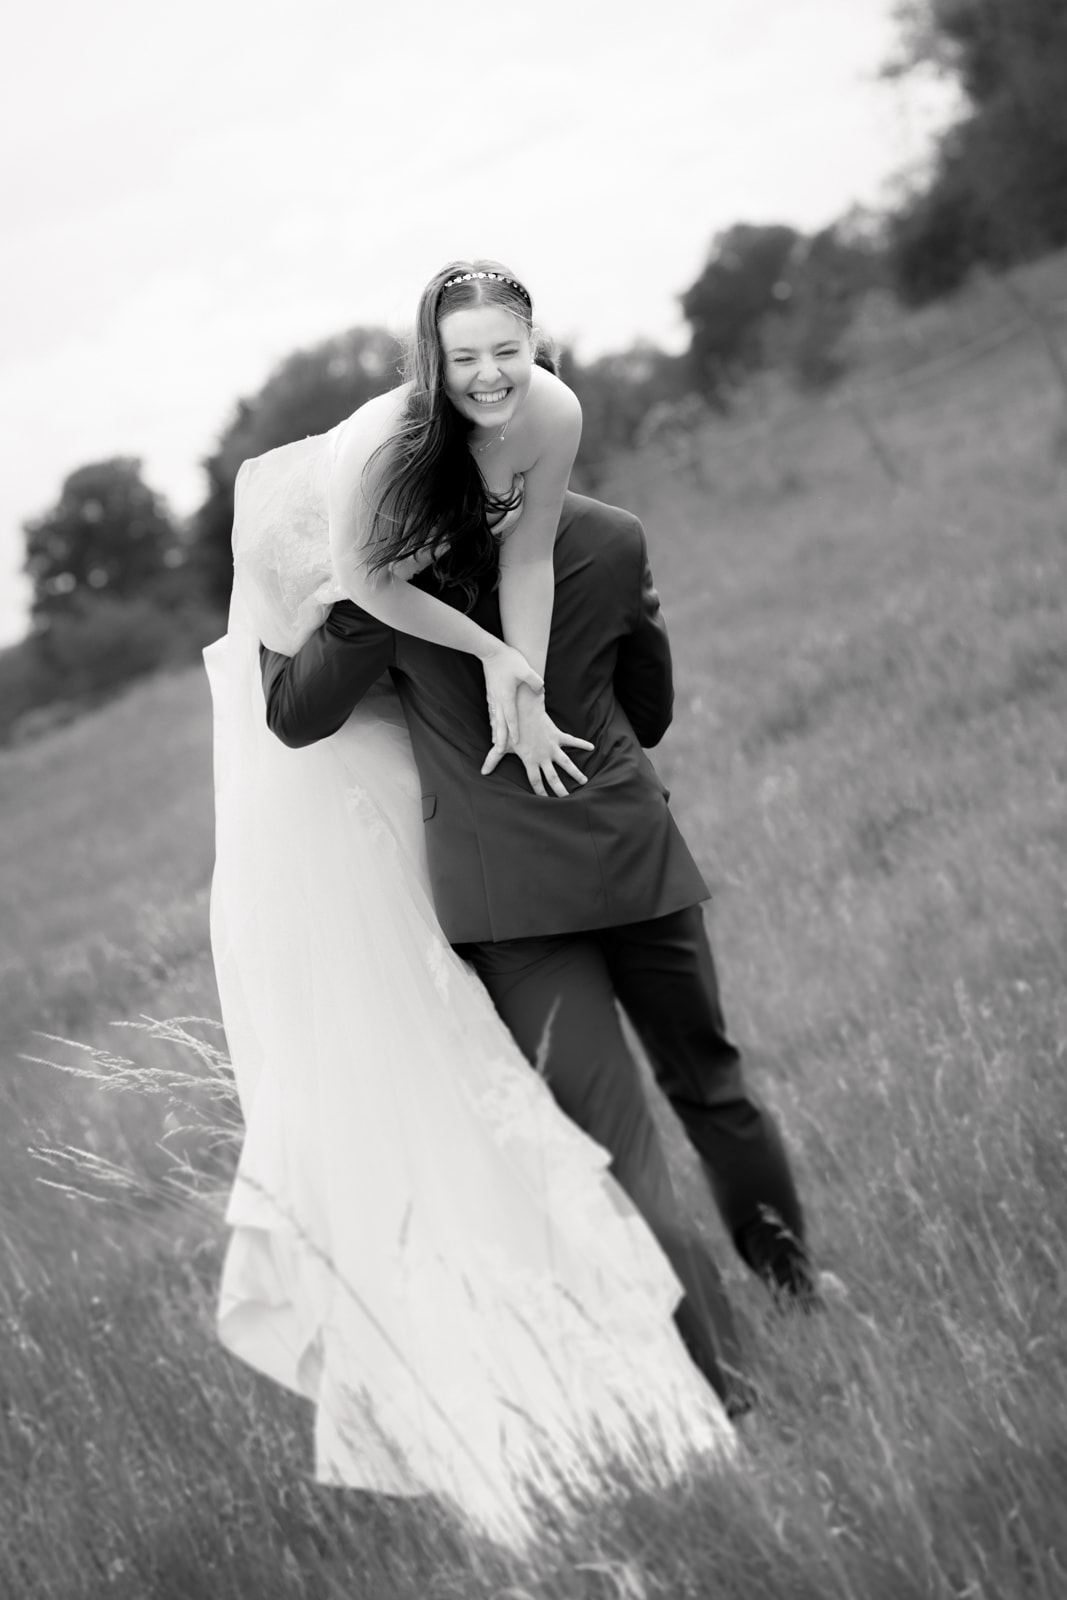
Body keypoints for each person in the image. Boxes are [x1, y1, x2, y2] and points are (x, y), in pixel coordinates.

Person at [204, 261, 739, 1542]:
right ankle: (668, 1345)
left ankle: (697, 1364)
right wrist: (375, 610)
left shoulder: (540, 461)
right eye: (463, 359)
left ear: (533, 350)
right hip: (444, 864)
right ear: (427, 377)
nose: (490, 376)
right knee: (559, 1124)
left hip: (483, 864)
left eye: (507, 351)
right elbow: (298, 706)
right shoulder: (376, 565)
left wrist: (515, 669)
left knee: (568, 1133)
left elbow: (535, 556)